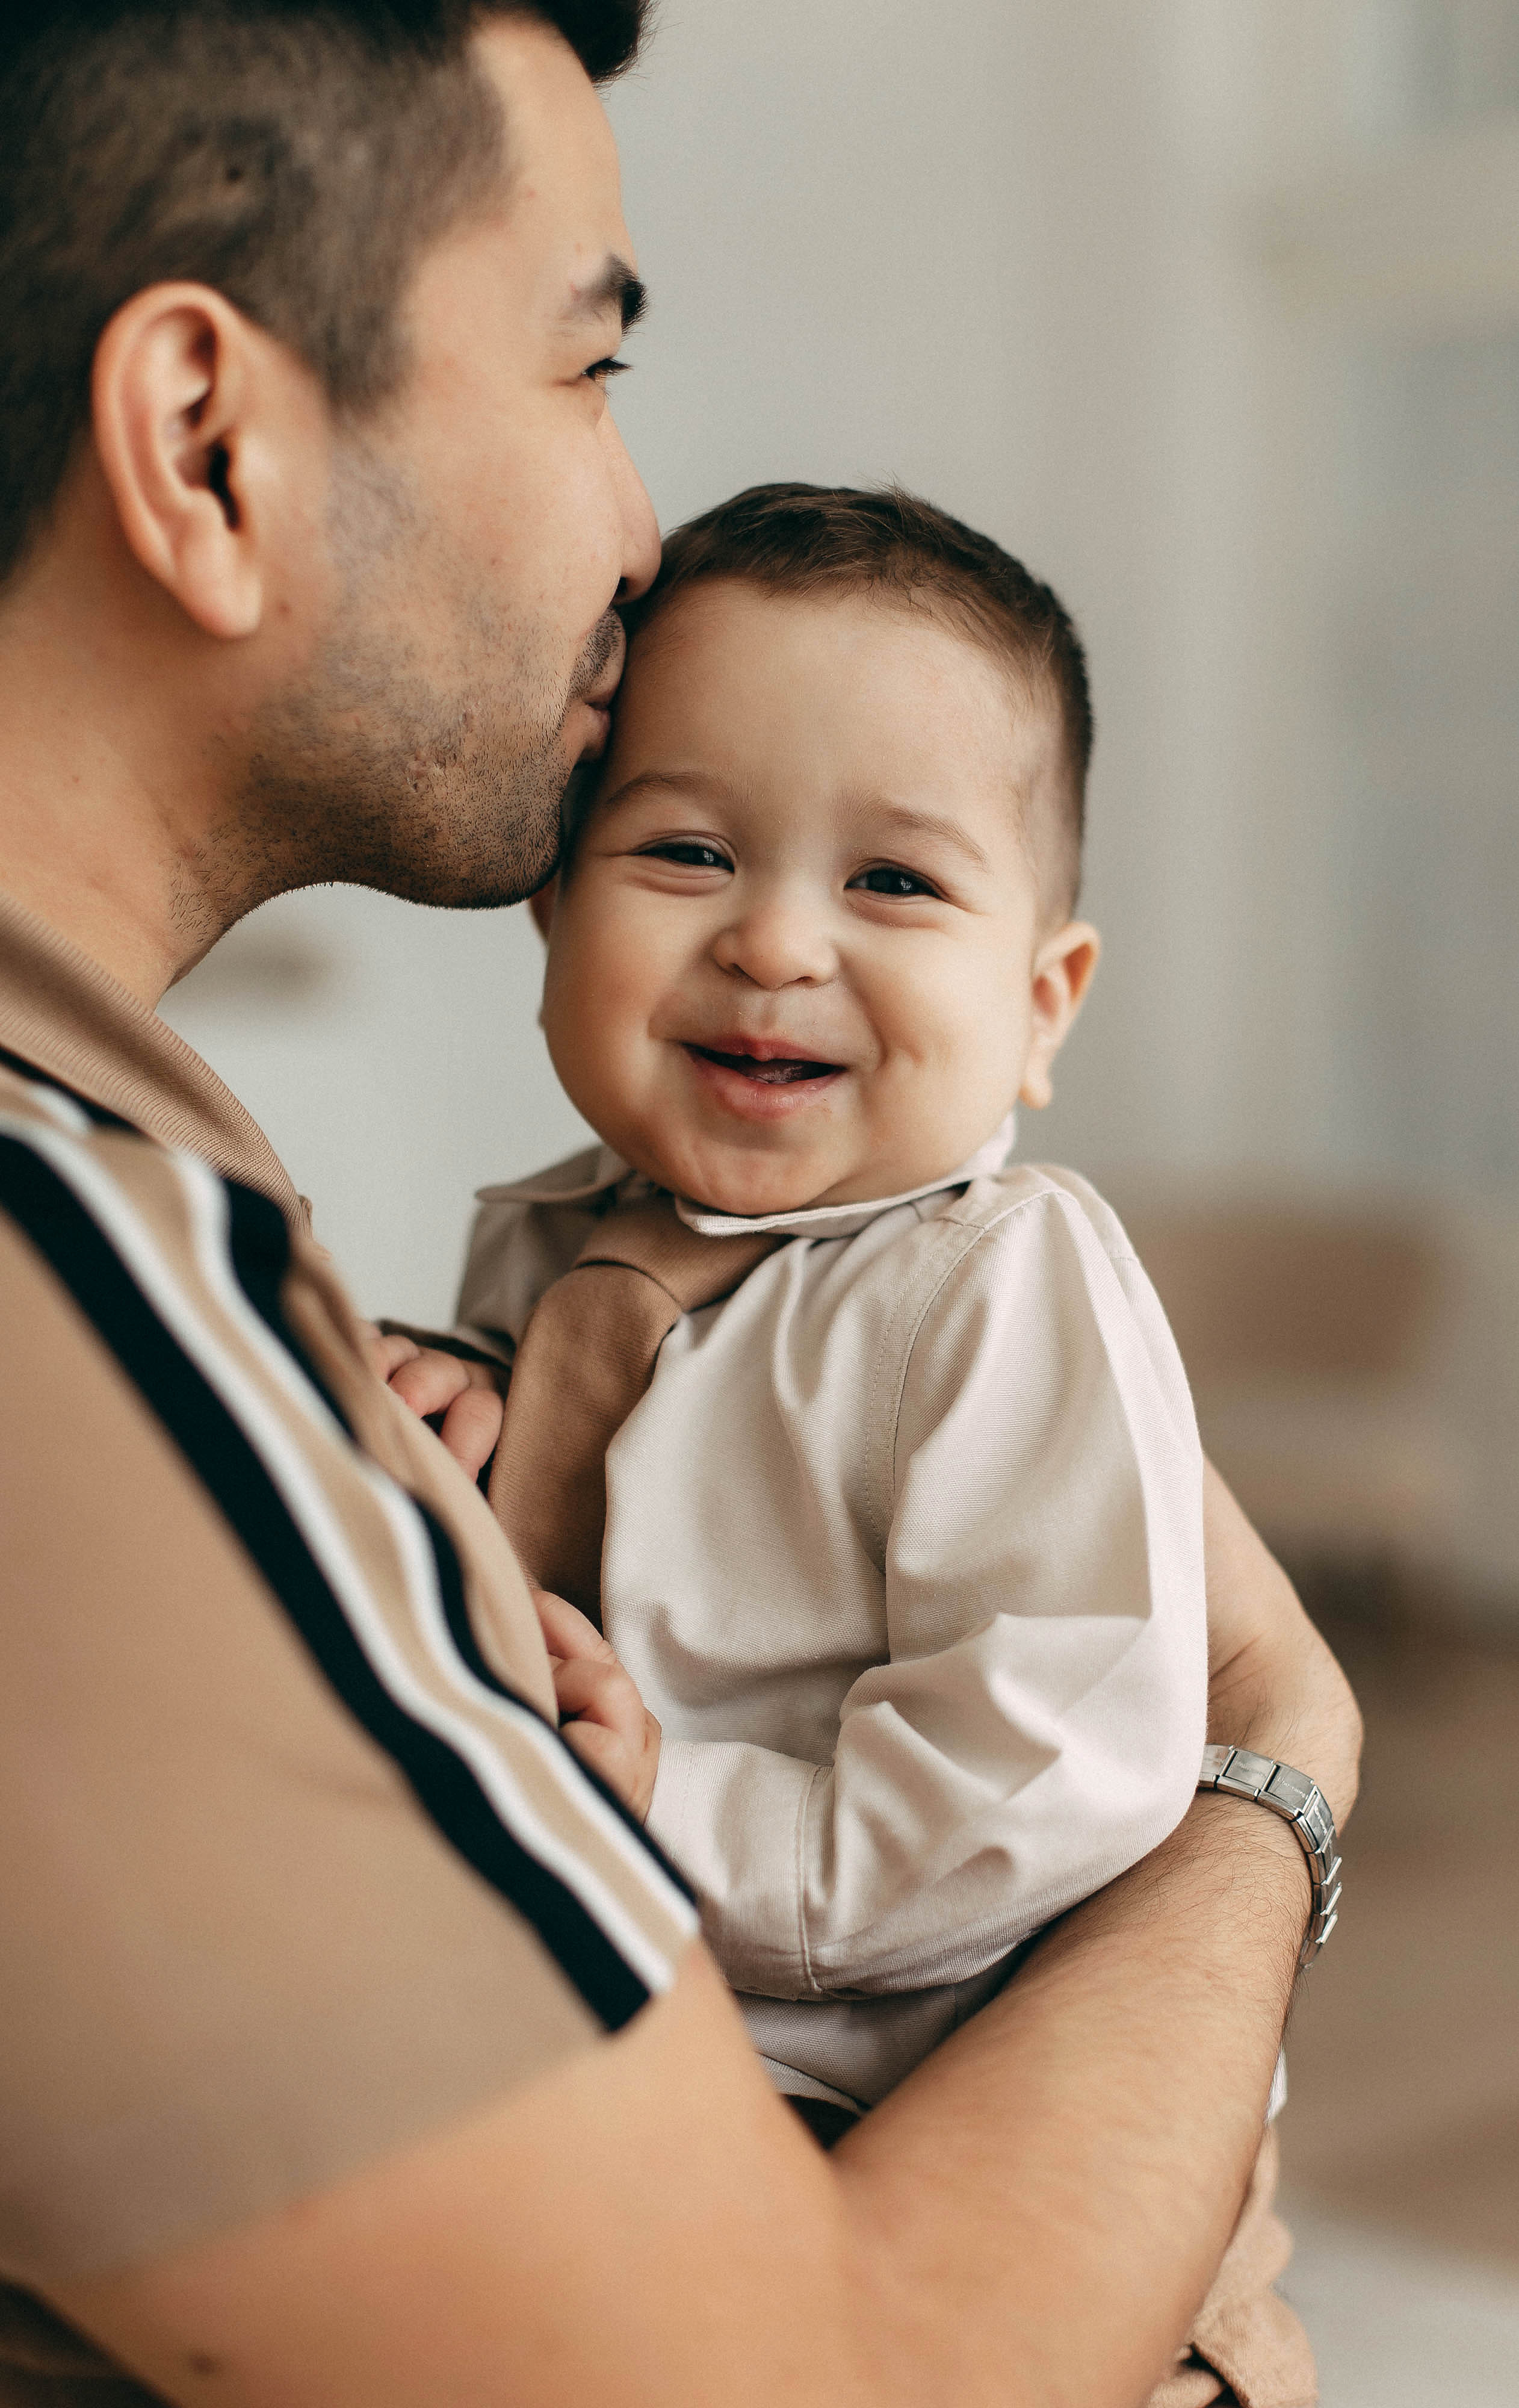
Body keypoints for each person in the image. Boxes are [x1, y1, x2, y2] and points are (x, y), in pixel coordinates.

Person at [0, 7, 1360, 2406]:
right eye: (585, 364)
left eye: (894, 879)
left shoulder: (972, 1275)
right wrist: (1275, 1760)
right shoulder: (83, 1289)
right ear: (208, 445)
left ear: (1041, 995)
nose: (639, 529)